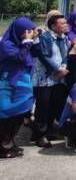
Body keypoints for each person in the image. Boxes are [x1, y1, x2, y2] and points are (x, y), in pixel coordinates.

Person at [31, 14, 69, 148]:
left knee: (54, 104)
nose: (66, 25)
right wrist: (57, 70)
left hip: (59, 78)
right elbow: (44, 56)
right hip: (45, 78)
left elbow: (65, 55)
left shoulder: (64, 38)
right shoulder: (45, 37)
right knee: (43, 106)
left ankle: (49, 130)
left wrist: (63, 68)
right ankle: (39, 135)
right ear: (53, 26)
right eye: (62, 23)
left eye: (66, 23)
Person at [0, 18, 36, 159]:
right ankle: (3, 145)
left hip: (23, 84)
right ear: (18, 32)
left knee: (20, 113)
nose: (29, 34)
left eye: (31, 31)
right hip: (8, 84)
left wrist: (33, 39)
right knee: (5, 114)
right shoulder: (6, 44)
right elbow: (20, 58)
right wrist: (27, 43)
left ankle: (9, 140)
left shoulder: (24, 43)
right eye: (26, 32)